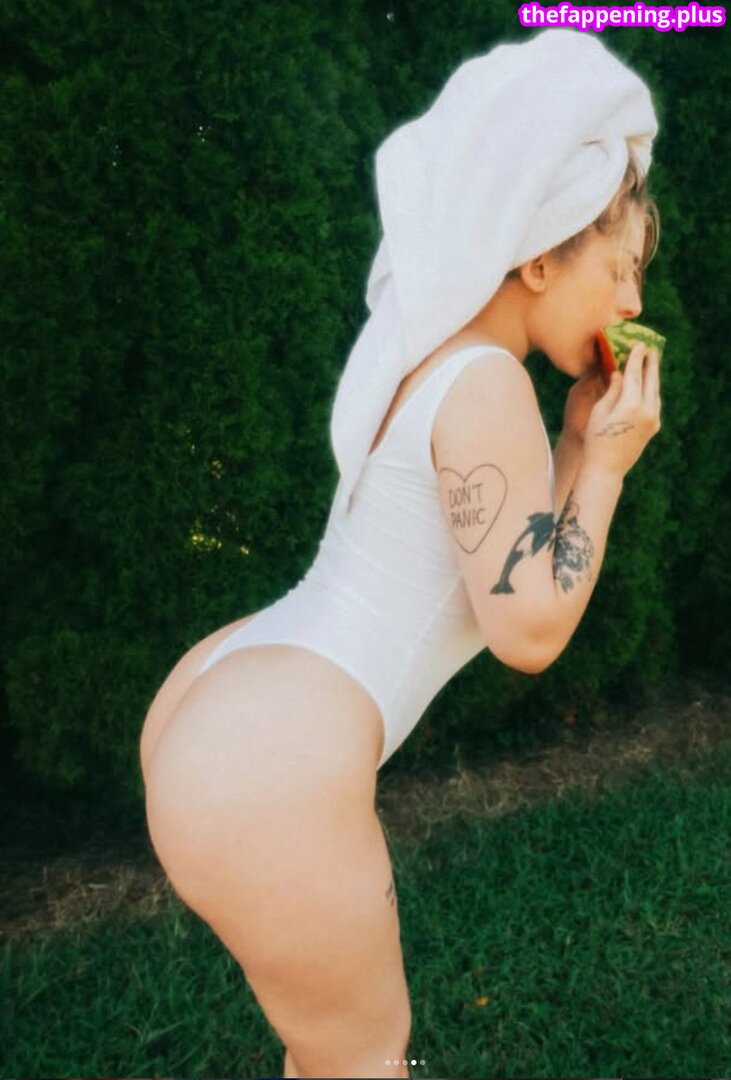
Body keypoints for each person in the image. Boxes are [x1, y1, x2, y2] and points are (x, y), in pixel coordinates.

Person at [139, 29, 662, 1080]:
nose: (632, 306)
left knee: (332, 1058)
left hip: (227, 711)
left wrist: (574, 443)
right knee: (365, 1062)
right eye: (619, 269)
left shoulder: (430, 359)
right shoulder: (486, 382)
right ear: (539, 256)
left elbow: (505, 557)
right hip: (268, 771)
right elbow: (527, 629)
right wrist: (606, 469)